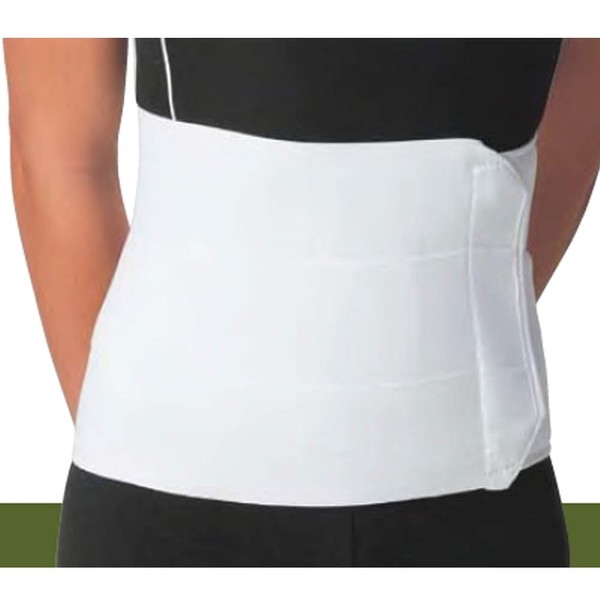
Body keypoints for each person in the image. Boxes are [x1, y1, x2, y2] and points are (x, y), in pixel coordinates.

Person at [3, 38, 599, 567]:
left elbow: (583, 86)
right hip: (167, 515)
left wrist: (446, 327)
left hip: (478, 506)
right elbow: (57, 153)